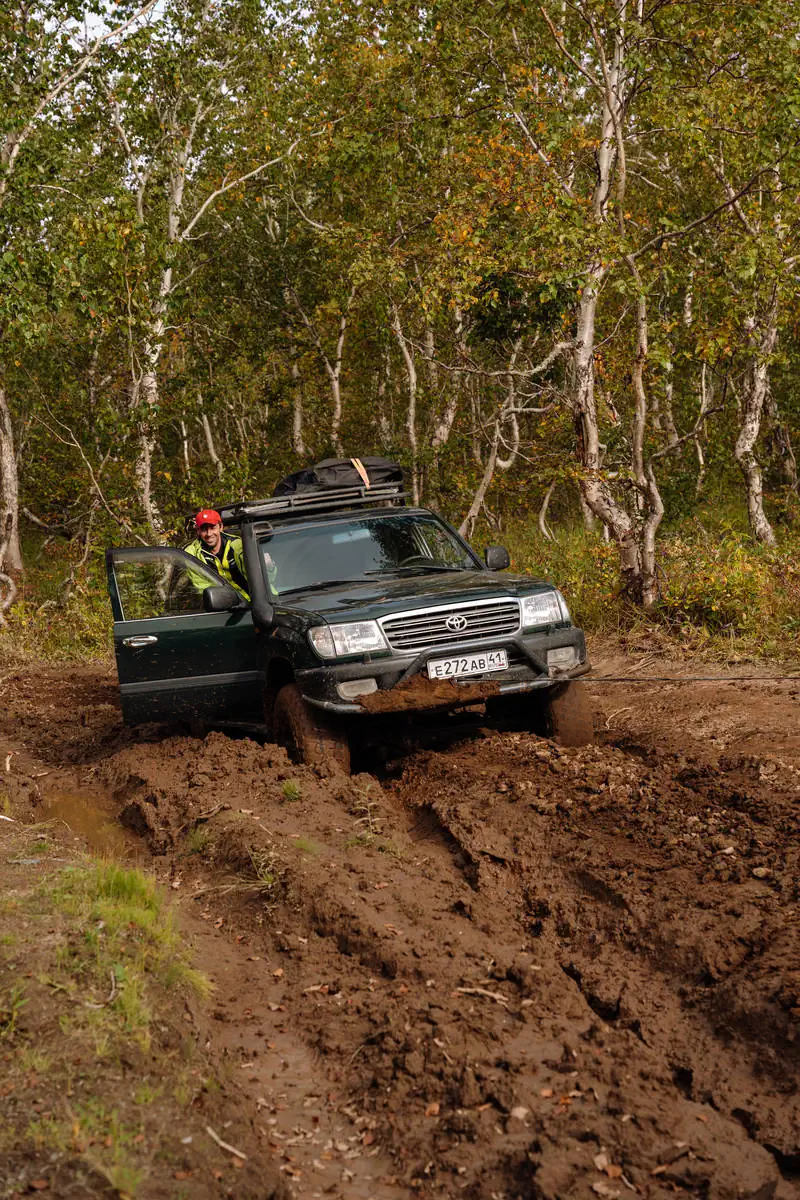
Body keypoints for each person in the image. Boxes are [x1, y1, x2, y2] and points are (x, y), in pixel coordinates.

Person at [184, 509, 251, 602]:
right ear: (198, 531)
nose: (209, 533)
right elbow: (202, 588)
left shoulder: (239, 545)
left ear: (221, 527)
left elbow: (264, 579)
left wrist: (270, 567)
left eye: (212, 528)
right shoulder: (192, 554)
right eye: (204, 529)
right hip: (224, 607)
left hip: (256, 603)